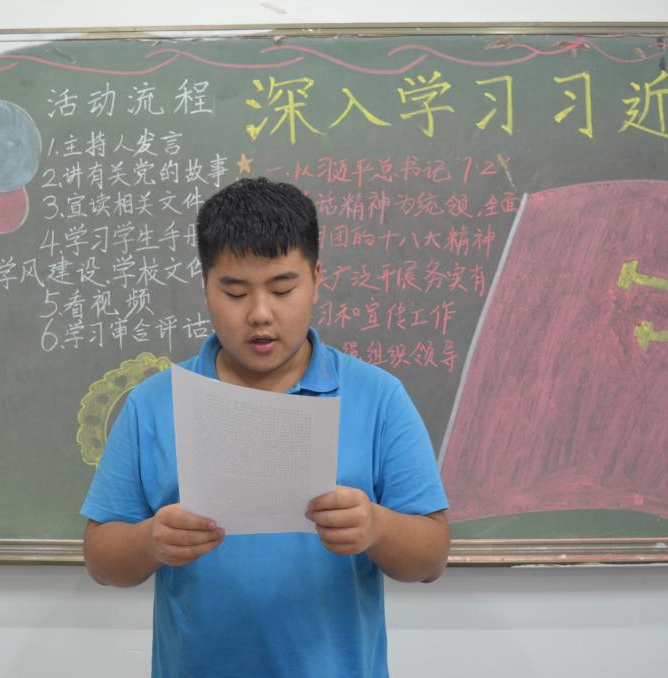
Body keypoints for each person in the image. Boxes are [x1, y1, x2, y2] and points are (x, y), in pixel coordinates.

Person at [81, 177, 450, 677]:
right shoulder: (154, 403)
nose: (259, 314)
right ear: (206, 285)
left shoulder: (378, 397)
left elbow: (431, 560)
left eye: (282, 289)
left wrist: (377, 527)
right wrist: (150, 542)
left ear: (316, 279)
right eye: (234, 291)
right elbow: (102, 561)